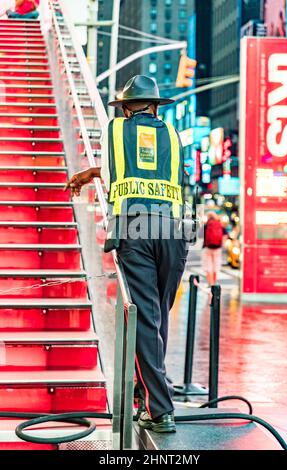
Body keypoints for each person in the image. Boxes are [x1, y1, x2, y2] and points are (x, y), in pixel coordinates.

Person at [64, 75, 188, 433]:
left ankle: (158, 408)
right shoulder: (173, 136)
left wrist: (90, 173)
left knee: (144, 318)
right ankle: (146, 391)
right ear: (154, 106)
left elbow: (121, 169)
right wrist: (93, 174)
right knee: (157, 316)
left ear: (125, 108)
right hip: (174, 230)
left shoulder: (116, 131)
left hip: (136, 227)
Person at [202, 211, 227, 287]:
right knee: (216, 267)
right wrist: (221, 243)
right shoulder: (220, 224)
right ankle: (214, 283)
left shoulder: (206, 225)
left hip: (208, 248)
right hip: (217, 248)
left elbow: (200, 235)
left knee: (208, 266)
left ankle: (210, 283)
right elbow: (225, 235)